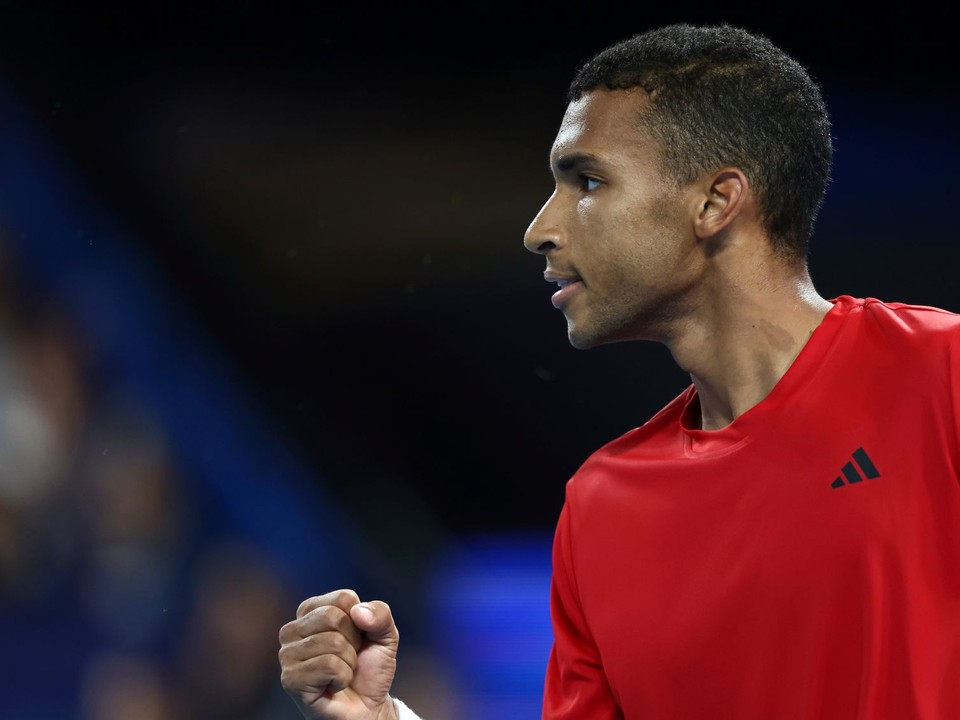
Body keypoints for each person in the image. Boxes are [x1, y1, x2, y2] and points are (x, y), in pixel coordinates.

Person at [277, 23, 960, 720]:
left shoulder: (942, 373)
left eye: (588, 181)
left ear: (715, 202)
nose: (540, 228)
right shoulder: (602, 507)